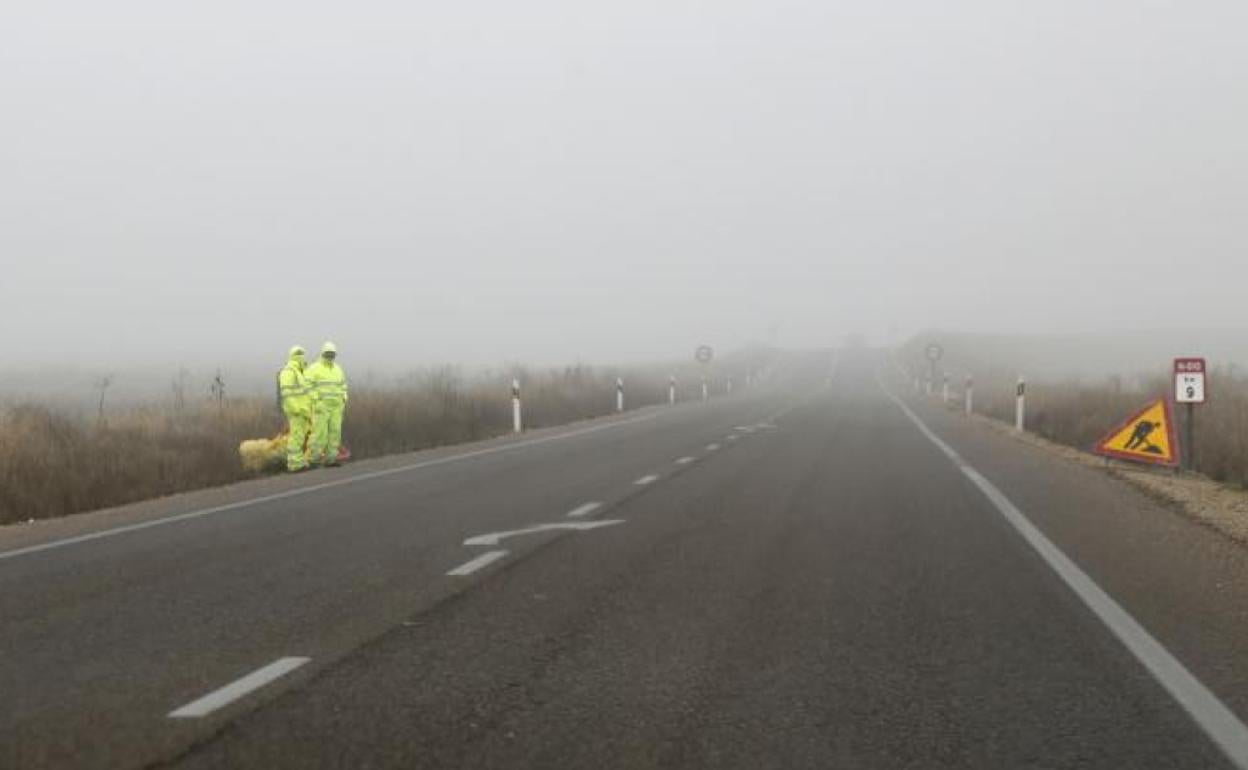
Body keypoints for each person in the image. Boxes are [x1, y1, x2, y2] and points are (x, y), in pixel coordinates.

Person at [305, 341, 349, 467]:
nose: (330, 355)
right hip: (321, 407)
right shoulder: (314, 368)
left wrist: (344, 398)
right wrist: (316, 400)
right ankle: (314, 459)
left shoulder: (338, 369)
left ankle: (331, 459)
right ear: (323, 353)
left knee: (335, 433)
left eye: (332, 353)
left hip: (336, 407)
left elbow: (343, 385)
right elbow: (307, 386)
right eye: (328, 353)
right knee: (319, 434)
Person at [277, 345, 312, 472]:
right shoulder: (288, 372)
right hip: (297, 411)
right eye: (299, 354)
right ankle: (294, 464)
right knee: (296, 437)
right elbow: (286, 393)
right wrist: (296, 409)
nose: (302, 356)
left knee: (301, 437)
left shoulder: (299, 372)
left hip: (303, 411)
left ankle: (300, 461)